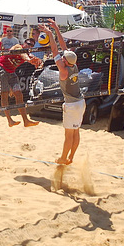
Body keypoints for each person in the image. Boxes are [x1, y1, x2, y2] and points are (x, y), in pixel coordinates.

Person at [40, 21, 84, 165]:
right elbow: (63, 47)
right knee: (76, 131)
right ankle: (71, 157)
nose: (62, 57)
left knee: (68, 135)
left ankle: (63, 158)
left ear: (65, 61)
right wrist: (56, 29)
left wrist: (50, 34)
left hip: (71, 106)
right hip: (80, 102)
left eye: (63, 58)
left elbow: (54, 50)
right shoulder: (74, 65)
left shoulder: (63, 70)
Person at [0, 40, 39, 128]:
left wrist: (38, 62)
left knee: (19, 95)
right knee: (4, 94)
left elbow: (31, 58)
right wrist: (30, 60)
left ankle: (26, 120)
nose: (30, 46)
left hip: (11, 73)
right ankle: (9, 120)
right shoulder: (18, 47)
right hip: (2, 70)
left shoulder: (28, 54)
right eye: (28, 44)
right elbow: (24, 55)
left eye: (32, 45)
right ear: (24, 43)